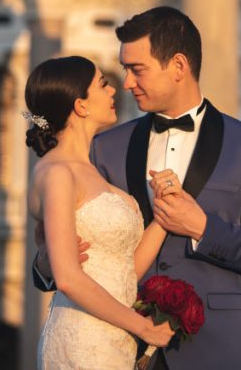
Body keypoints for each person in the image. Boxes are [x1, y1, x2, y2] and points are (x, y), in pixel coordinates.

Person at [34, 6, 241, 370]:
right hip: (118, 343)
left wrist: (202, 228)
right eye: (123, 70)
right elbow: (60, 255)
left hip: (217, 348)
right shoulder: (105, 147)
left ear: (179, 66)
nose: (126, 83)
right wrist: (47, 263)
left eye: (137, 69)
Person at [25, 56, 176, 369]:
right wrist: (143, 327)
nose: (114, 90)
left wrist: (165, 213)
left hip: (116, 339)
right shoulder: (57, 172)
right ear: (81, 105)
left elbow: (126, 269)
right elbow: (67, 278)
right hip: (81, 340)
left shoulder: (89, 169)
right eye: (103, 84)